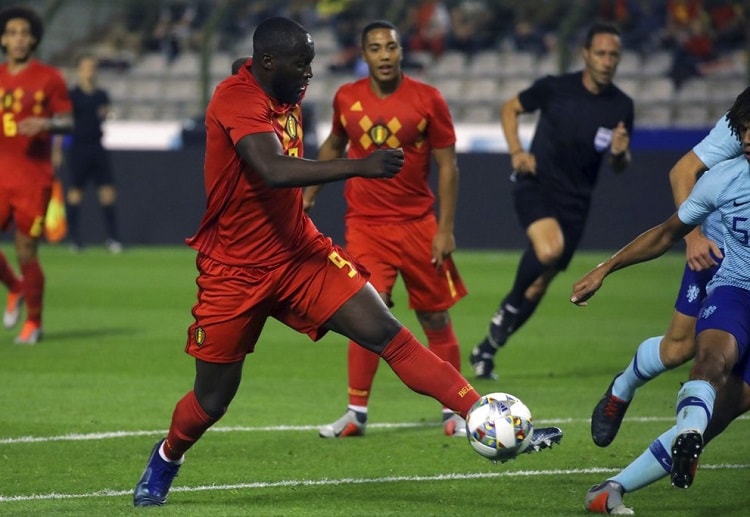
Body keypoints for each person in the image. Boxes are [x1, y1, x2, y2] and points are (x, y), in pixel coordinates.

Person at [131, 17, 563, 508]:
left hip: (300, 254)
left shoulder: (274, 82)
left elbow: (244, 66)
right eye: (302, 64)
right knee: (212, 400)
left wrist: (257, 67)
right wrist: (362, 165)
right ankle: (167, 456)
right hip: (235, 271)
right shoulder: (236, 99)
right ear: (269, 63)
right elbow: (271, 169)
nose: (309, 74)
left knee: (388, 333)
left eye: (310, 63)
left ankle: (485, 417)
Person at [571, 87, 750, 506]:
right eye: (744, 130)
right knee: (704, 358)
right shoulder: (725, 178)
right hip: (730, 279)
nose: (746, 139)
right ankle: (670, 420)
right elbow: (668, 227)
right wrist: (606, 267)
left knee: (722, 408)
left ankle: (612, 489)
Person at [303, 20, 468, 438]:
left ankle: (455, 412)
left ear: (400, 52)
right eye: (375, 48)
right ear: (364, 55)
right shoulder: (346, 97)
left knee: (434, 315)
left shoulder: (428, 99)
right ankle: (356, 412)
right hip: (365, 225)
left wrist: (445, 229)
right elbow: (335, 144)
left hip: (418, 224)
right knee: (365, 313)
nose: (384, 55)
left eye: (391, 47)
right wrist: (310, 192)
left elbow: (448, 165)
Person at [469, 22, 634, 380]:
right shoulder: (555, 88)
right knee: (548, 250)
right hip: (536, 184)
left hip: (576, 205)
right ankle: (507, 308)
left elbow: (619, 165)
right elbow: (510, 108)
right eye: (601, 54)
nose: (607, 61)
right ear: (585, 54)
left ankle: (486, 351)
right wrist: (517, 152)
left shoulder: (622, 106)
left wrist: (621, 154)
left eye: (614, 55)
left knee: (539, 285)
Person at [590, 112, 743, 448]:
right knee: (678, 349)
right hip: (718, 250)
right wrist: (694, 236)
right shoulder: (742, 123)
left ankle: (685, 444)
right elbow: (684, 170)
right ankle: (622, 389)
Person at [0, 5, 73, 344]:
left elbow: (68, 121)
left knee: (26, 250)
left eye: (24, 33)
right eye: (12, 33)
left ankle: (34, 321)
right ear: (3, 39)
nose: (18, 39)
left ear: (33, 39)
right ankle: (14, 286)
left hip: (33, 179)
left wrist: (45, 123)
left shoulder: (49, 78)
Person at [65, 52, 122, 254]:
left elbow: (107, 115)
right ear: (79, 70)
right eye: (86, 67)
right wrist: (57, 147)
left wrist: (107, 114)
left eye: (92, 67)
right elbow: (64, 121)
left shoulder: (101, 95)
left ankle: (113, 238)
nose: (89, 71)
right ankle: (74, 239)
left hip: (97, 146)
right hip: (79, 146)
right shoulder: (72, 95)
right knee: (76, 192)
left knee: (107, 192)